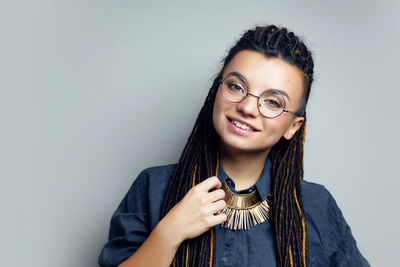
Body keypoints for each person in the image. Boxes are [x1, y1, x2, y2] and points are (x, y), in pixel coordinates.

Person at [98, 25, 370, 267]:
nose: (247, 107)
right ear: (217, 90)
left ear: (293, 127)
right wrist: (169, 233)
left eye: (273, 102)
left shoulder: (316, 205)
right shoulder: (152, 187)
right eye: (237, 86)